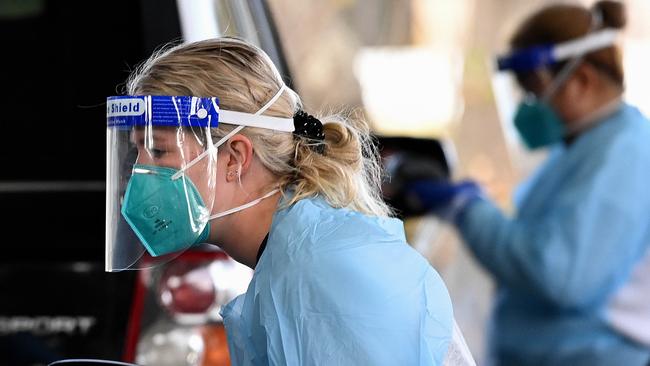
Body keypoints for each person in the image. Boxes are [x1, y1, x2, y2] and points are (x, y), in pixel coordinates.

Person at [105, 37, 476, 365]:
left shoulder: (322, 274)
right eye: (138, 153)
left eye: (158, 149)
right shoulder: (291, 260)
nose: (139, 174)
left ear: (234, 157)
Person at [405, 1, 650, 365]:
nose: (525, 109)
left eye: (533, 92)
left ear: (581, 81)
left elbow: (560, 274)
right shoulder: (584, 149)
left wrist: (469, 211)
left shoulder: (626, 155)